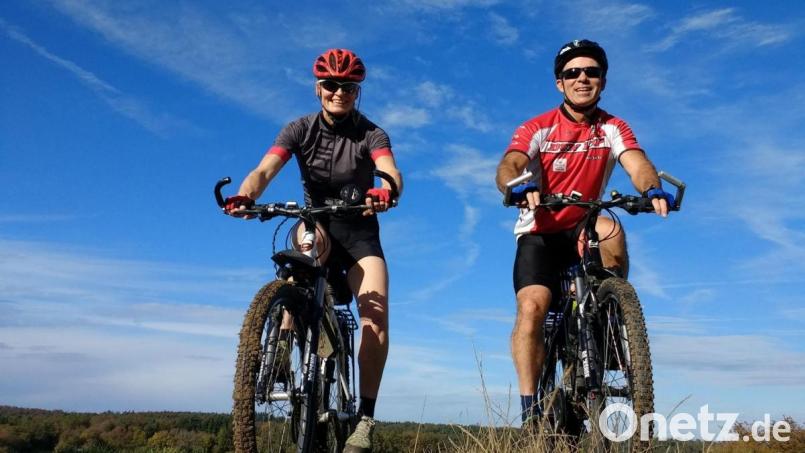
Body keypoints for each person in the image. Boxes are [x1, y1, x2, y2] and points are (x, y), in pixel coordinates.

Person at [225, 48, 403, 452]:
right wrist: (245, 196)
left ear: (358, 92)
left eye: (349, 87)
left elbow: (390, 169)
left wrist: (386, 189)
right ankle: (280, 352)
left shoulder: (371, 133)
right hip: (317, 222)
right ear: (317, 88)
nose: (339, 92)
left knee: (375, 316)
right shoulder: (298, 129)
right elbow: (265, 169)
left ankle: (365, 419)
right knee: (297, 266)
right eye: (330, 85)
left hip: (359, 231)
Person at [494, 39, 673, 426]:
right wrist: (516, 185)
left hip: (583, 225)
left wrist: (651, 188)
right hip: (539, 229)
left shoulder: (612, 126)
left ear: (603, 81)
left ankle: (608, 317)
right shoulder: (537, 127)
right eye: (572, 73)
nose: (582, 78)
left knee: (610, 230)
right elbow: (510, 162)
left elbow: (636, 161)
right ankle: (530, 411)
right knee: (532, 308)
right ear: (560, 83)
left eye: (591, 72)